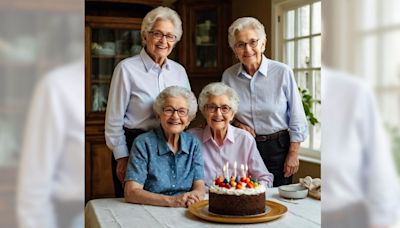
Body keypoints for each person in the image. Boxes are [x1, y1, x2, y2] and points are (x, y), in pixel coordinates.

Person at [105, 6, 191, 197]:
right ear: (145, 36)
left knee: (165, 203)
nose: (163, 41)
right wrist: (122, 157)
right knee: (131, 206)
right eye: (157, 34)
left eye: (170, 36)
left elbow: (186, 112)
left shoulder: (179, 71)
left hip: (170, 146)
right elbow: (113, 120)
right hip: (134, 145)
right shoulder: (126, 69)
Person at [221, 17, 308, 187]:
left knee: (278, 200)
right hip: (243, 146)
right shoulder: (228, 77)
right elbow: (223, 112)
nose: (247, 49)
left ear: (263, 44)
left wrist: (293, 153)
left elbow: (297, 115)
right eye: (240, 44)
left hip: (278, 148)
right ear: (234, 49)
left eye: (253, 42)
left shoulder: (282, 72)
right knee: (245, 196)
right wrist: (238, 124)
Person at [124, 86, 205, 207]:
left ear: (188, 119)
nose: (175, 116)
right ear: (158, 115)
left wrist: (192, 197)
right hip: (150, 209)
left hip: (185, 208)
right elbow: (131, 192)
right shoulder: (143, 143)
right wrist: (172, 201)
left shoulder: (193, 143)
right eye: (169, 110)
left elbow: (200, 187)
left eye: (182, 111)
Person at [189, 82, 273, 188]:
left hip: (239, 200)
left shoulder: (245, 139)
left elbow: (265, 178)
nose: (218, 114)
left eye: (225, 108)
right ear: (204, 111)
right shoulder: (191, 139)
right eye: (212, 107)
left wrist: (250, 192)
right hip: (203, 201)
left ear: (232, 114)